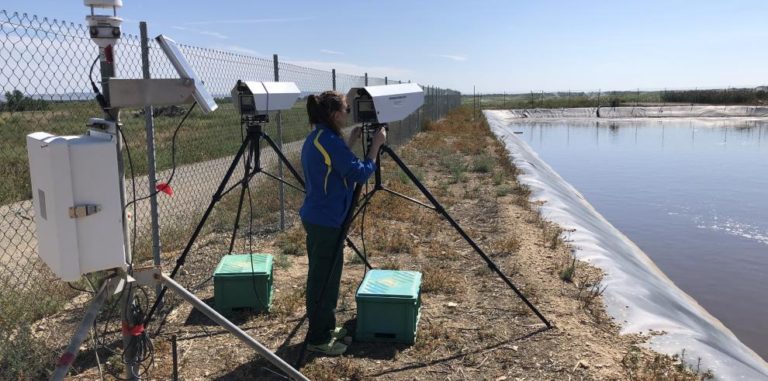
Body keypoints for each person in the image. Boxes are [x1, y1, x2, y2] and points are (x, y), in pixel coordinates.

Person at [299, 90, 386, 355]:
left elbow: (332, 168)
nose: (350, 113)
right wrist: (375, 147)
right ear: (335, 114)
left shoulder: (321, 137)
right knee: (321, 281)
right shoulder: (327, 140)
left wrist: (348, 143)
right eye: (348, 109)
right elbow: (358, 173)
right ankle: (317, 338)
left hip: (324, 217)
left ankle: (326, 327)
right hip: (325, 220)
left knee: (329, 275)